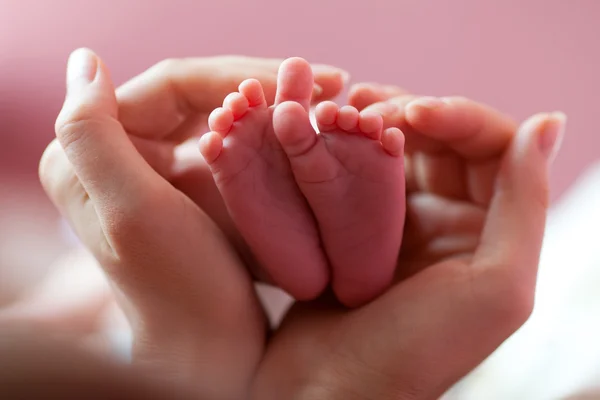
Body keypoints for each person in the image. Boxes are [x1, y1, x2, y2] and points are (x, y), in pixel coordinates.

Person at [6, 48, 563, 399]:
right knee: (104, 266)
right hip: (131, 348)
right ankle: (252, 214)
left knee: (98, 276)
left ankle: (247, 219)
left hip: (152, 334)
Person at [199, 57, 406, 306]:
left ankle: (285, 244)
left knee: (192, 170)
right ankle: (363, 260)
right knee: (200, 160)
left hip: (209, 230)